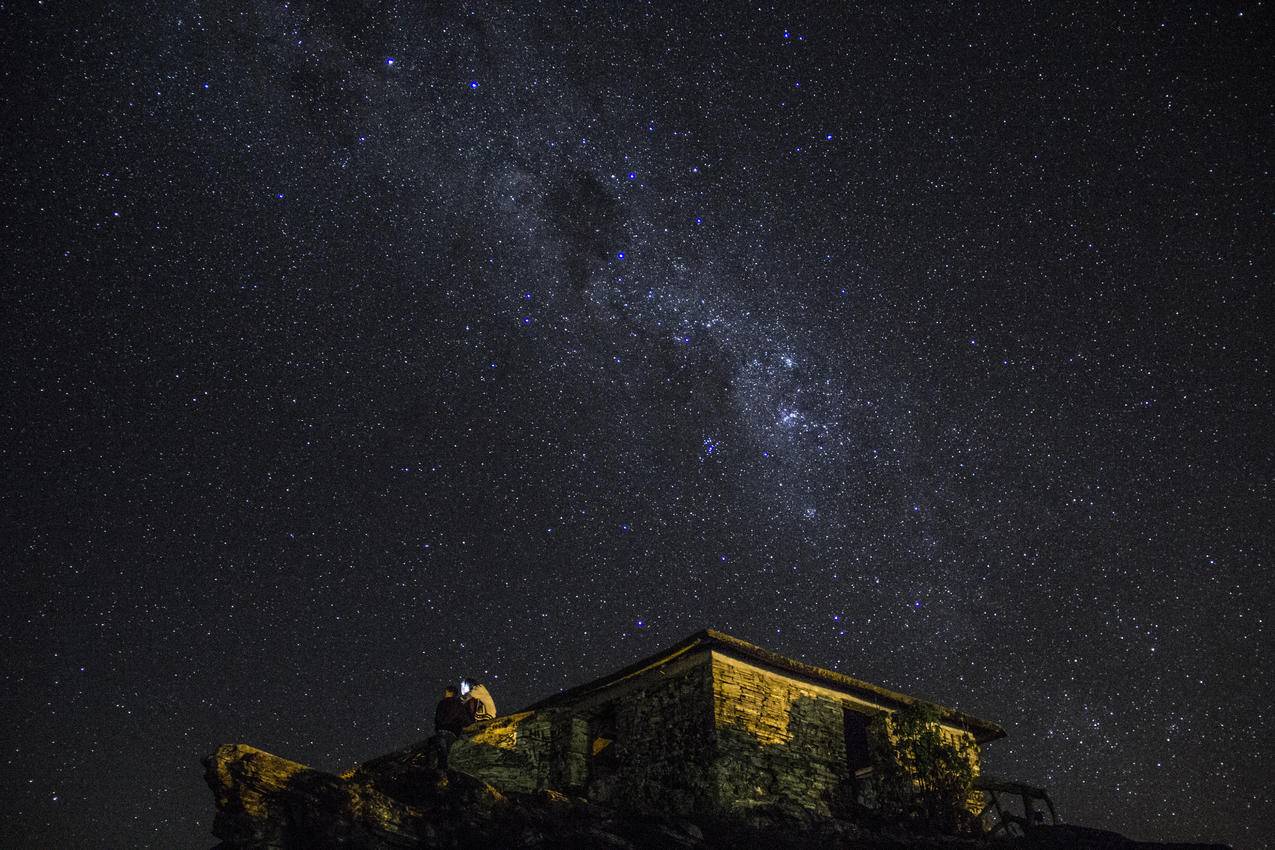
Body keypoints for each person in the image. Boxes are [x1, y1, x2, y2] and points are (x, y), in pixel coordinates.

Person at [429, 684, 473, 769]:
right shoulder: (459, 704)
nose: (444, 694)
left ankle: (441, 775)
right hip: (453, 733)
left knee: (441, 757)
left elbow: (437, 718)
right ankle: (448, 775)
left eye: (446, 692)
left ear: (450, 692)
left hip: (442, 731)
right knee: (450, 757)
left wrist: (438, 727)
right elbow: (465, 720)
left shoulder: (442, 703)